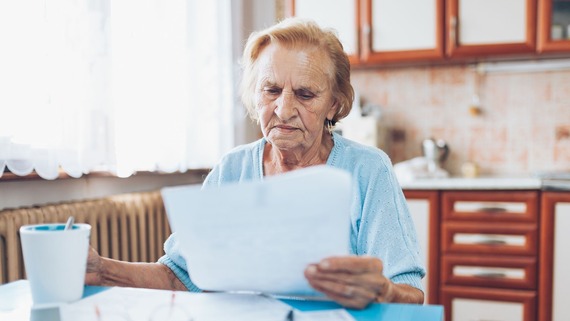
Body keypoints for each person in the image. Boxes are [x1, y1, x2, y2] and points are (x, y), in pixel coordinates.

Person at [86, 17, 425, 309]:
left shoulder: (368, 170)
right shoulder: (232, 169)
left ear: (334, 105)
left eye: (305, 94)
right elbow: (179, 277)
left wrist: (382, 290)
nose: (283, 109)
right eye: (271, 90)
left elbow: (411, 293)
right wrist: (103, 270)